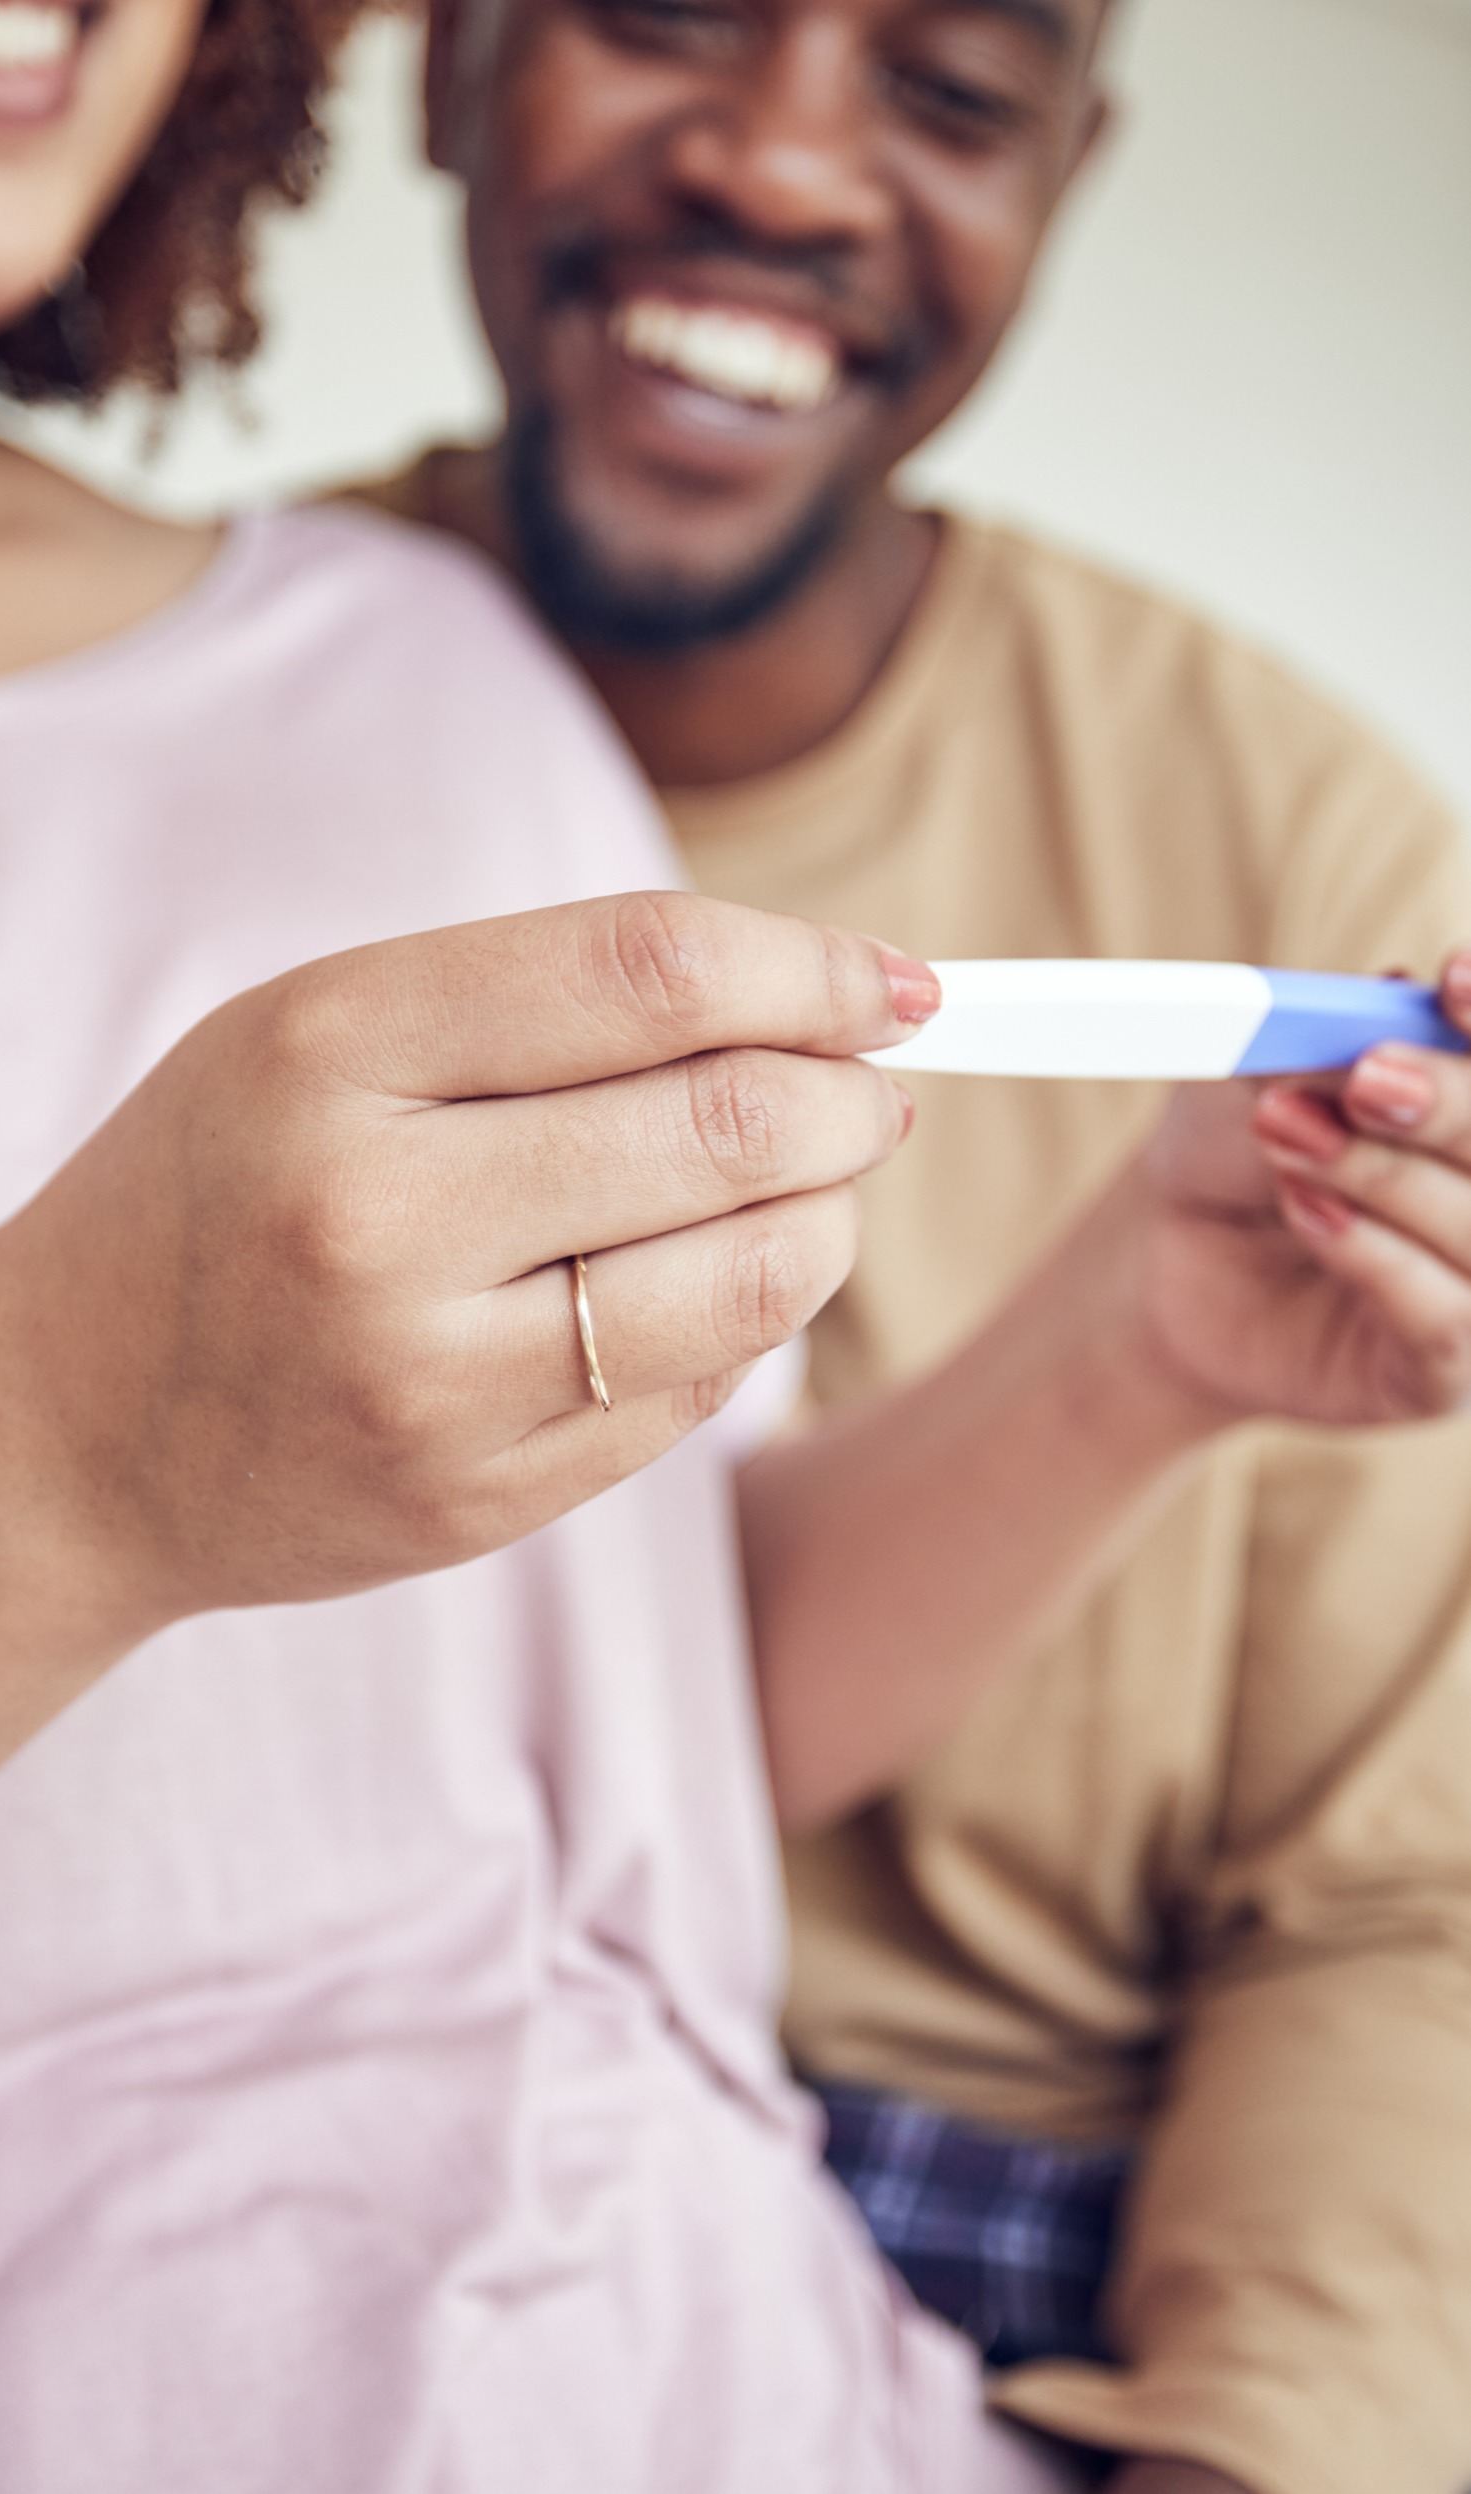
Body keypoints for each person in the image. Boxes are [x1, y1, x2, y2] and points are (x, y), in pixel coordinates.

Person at [343, 0, 1471, 2488]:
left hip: (1031, 2233)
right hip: (326, 2134)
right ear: (444, 67)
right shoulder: (197, 719)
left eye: (947, 92)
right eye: (664, 20)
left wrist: (1252, 2443)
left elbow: (1406, 1902)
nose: (784, 165)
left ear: (1067, 180)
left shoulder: (1314, 857)